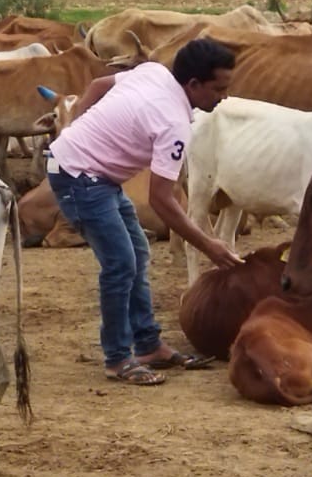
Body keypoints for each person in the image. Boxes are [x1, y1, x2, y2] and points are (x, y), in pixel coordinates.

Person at [48, 39, 243, 386]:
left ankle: (148, 344)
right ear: (194, 85)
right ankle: (118, 357)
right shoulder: (174, 125)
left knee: (137, 252)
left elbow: (97, 85)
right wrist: (208, 244)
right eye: (219, 88)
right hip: (79, 176)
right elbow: (161, 200)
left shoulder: (154, 72)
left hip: (95, 174)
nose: (224, 97)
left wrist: (77, 125)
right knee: (121, 262)